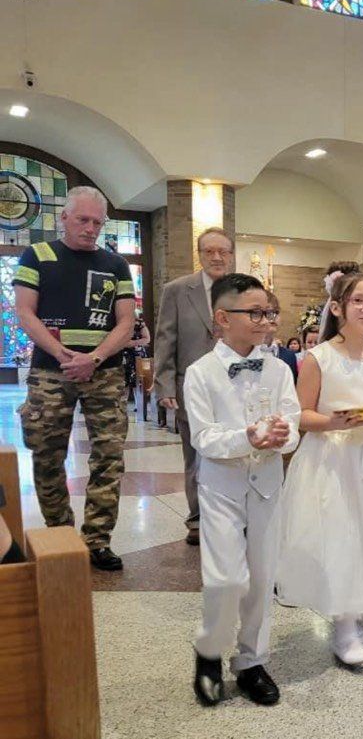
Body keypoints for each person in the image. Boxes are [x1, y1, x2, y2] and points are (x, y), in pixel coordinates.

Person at [277, 271, 363, 668]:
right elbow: (300, 414)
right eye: (358, 301)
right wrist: (332, 422)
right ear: (338, 308)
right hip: (331, 456)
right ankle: (343, 625)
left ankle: (355, 612)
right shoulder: (319, 357)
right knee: (338, 533)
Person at [184, 273, 300, 707]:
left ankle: (251, 660)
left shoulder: (278, 369)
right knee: (226, 579)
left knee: (262, 576)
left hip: (268, 484)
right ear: (222, 318)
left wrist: (283, 438)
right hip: (222, 489)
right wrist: (246, 438)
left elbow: (294, 424)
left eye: (268, 312)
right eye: (254, 312)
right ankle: (209, 651)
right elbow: (204, 438)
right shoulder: (201, 373)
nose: (265, 320)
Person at [13, 186, 135, 571]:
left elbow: (127, 323)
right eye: (83, 219)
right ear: (63, 217)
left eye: (97, 222)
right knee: (48, 455)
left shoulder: (115, 264)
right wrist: (60, 352)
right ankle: (61, 534)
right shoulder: (37, 255)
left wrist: (94, 358)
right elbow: (25, 313)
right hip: (51, 372)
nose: (90, 228)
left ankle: (98, 539)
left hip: (105, 373)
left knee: (109, 458)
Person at [155, 227, 234, 546]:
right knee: (197, 455)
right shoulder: (178, 290)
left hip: (234, 385)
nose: (216, 257)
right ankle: (197, 519)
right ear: (199, 254)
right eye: (209, 251)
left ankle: (231, 514)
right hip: (191, 386)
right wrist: (164, 385)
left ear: (231, 255)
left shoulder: (242, 290)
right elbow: (165, 339)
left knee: (233, 452)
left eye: (223, 252)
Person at [260, 291, 298, 382]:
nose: (273, 317)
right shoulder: (245, 352)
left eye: (276, 312)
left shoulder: (289, 355)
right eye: (268, 312)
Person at [123, 311, 151, 395]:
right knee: (124, 380)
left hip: (138, 354)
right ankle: (123, 404)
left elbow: (147, 339)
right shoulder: (118, 323)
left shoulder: (139, 323)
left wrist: (132, 343)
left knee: (139, 380)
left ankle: (138, 405)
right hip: (123, 355)